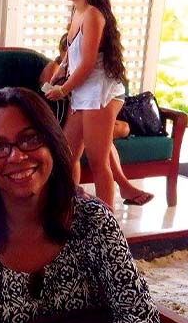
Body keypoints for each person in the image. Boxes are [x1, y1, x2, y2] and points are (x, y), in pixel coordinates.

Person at [0, 87, 165, 323]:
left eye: (30, 138)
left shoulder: (94, 222)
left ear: (53, 144)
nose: (17, 156)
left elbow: (141, 322)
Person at [45, 0, 129, 208]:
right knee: (67, 155)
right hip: (83, 91)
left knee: (98, 162)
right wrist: (58, 74)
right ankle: (70, 209)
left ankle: (107, 222)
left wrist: (64, 89)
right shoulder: (77, 12)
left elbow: (89, 62)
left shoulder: (93, 15)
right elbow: (72, 55)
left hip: (98, 92)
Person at [42, 31, 153, 207]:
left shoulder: (91, 71)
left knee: (118, 130)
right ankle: (122, 185)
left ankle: (105, 211)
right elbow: (46, 94)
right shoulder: (56, 68)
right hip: (61, 119)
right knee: (97, 139)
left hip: (89, 112)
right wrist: (62, 84)